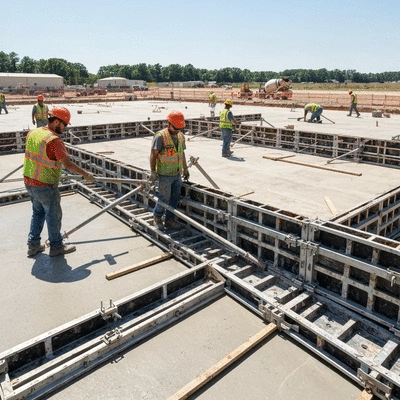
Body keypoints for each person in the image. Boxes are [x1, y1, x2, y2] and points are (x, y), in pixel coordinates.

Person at [23, 107, 94, 257]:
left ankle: (33, 245)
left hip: (29, 182)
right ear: (56, 121)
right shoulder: (54, 140)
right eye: (65, 124)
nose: (65, 128)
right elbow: (67, 164)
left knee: (37, 213)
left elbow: (40, 157)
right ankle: (56, 246)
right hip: (45, 186)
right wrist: (85, 174)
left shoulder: (33, 132)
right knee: (53, 215)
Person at [149, 110, 189, 230]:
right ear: (169, 123)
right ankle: (157, 217)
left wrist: (185, 169)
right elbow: (153, 155)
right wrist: (153, 171)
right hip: (165, 174)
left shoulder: (181, 136)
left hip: (177, 173)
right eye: (176, 128)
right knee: (164, 198)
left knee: (175, 197)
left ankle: (169, 219)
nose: (178, 131)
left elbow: (181, 154)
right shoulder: (160, 136)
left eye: (180, 128)